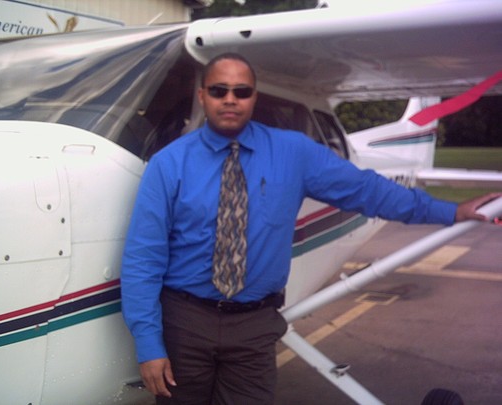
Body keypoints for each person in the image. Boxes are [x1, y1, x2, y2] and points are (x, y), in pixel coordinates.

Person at [121, 52, 499, 404]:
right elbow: (143, 258)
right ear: (202, 95)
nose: (230, 99)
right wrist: (149, 345)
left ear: (254, 97)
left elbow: (368, 191)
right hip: (186, 322)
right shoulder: (168, 164)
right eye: (219, 90)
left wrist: (450, 211)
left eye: (242, 91)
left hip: (254, 324)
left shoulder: (293, 152)